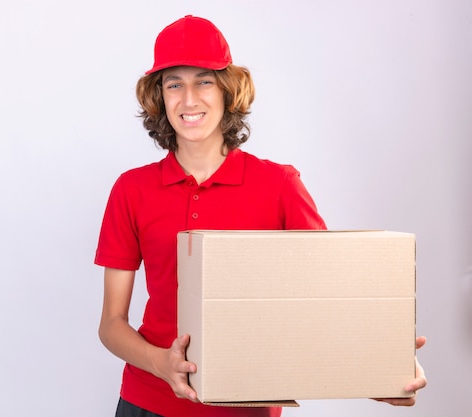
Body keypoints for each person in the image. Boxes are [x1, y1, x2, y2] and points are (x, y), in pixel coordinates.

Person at [95, 15, 427, 417]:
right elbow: (112, 323)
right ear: (159, 96)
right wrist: (161, 364)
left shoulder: (279, 184)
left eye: (204, 80)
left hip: (248, 406)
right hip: (148, 403)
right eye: (174, 84)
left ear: (227, 90)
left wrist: (381, 372)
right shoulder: (132, 190)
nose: (189, 99)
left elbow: (329, 299)